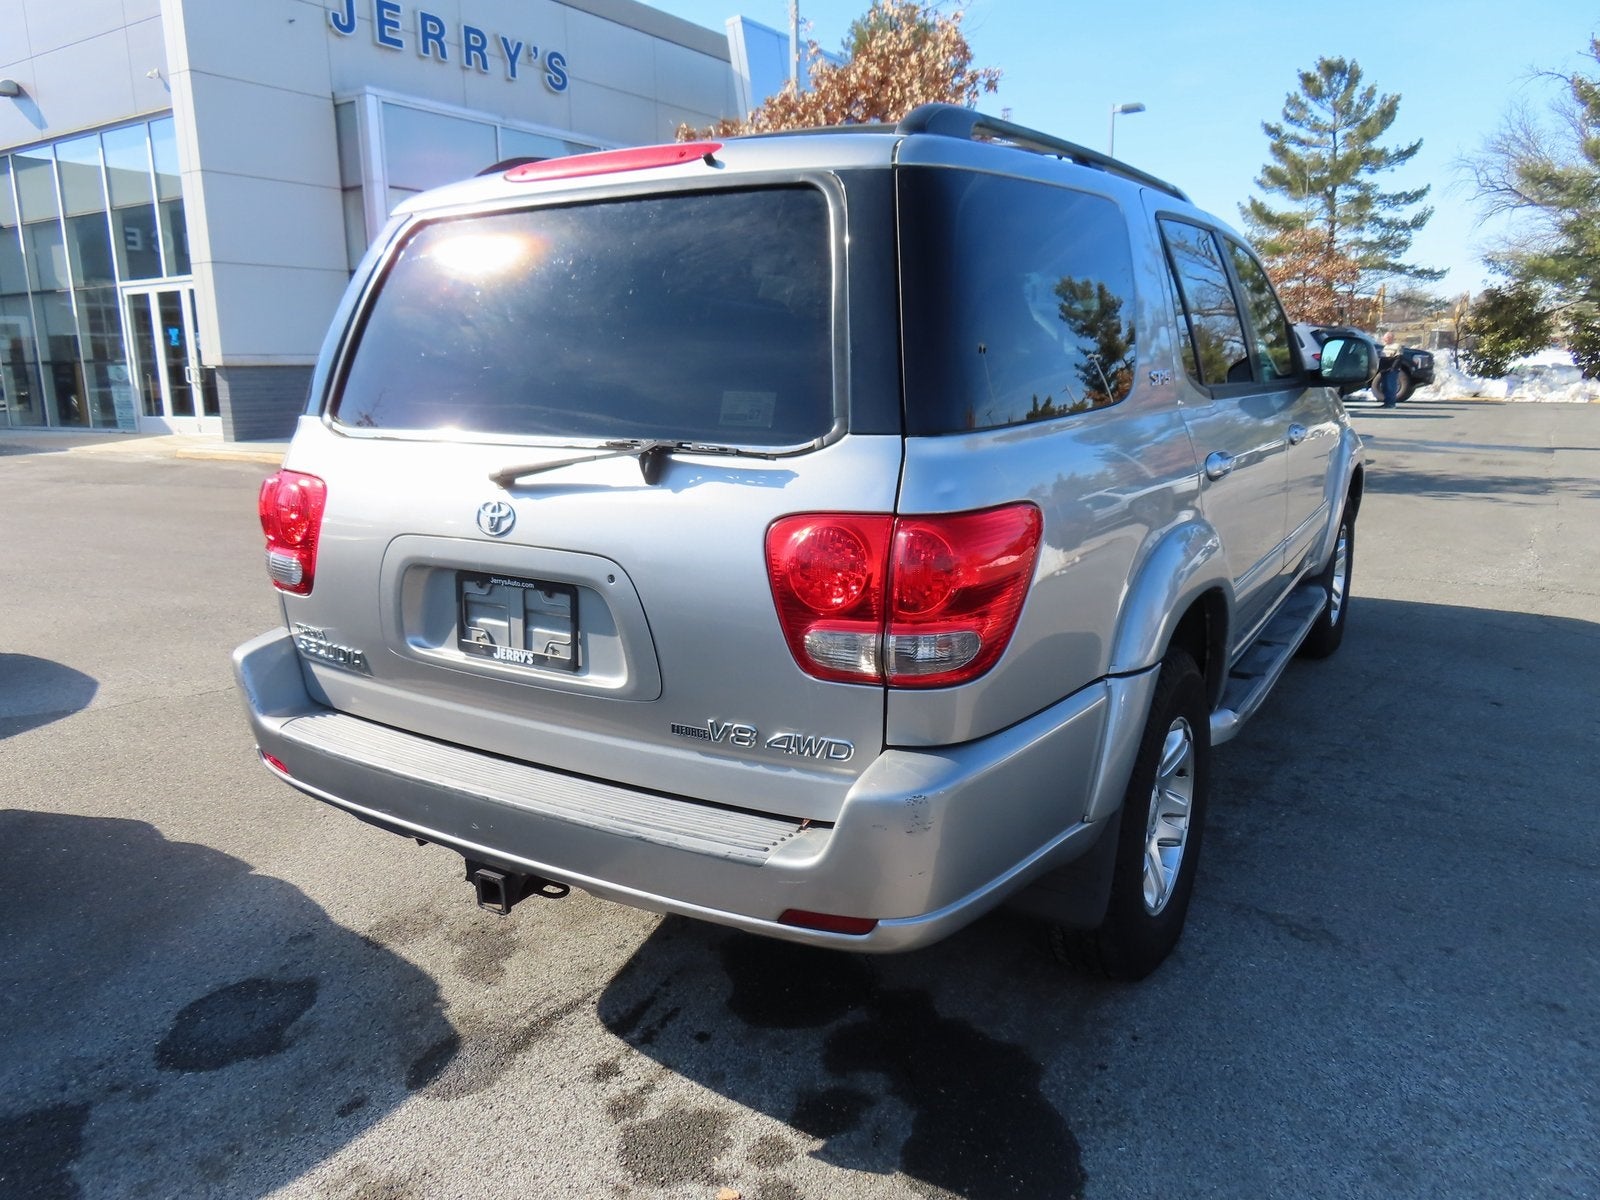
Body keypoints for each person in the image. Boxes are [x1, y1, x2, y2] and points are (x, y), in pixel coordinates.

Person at [1377, 332, 1403, 408]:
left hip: (1391, 370)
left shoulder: (1397, 346)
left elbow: (1398, 358)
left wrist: (1393, 368)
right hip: (1384, 370)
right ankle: (1386, 403)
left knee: (1391, 387)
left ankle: (1391, 403)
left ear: (1390, 338)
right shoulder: (1385, 347)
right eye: (1384, 338)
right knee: (1385, 387)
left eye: (1386, 338)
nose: (1384, 339)